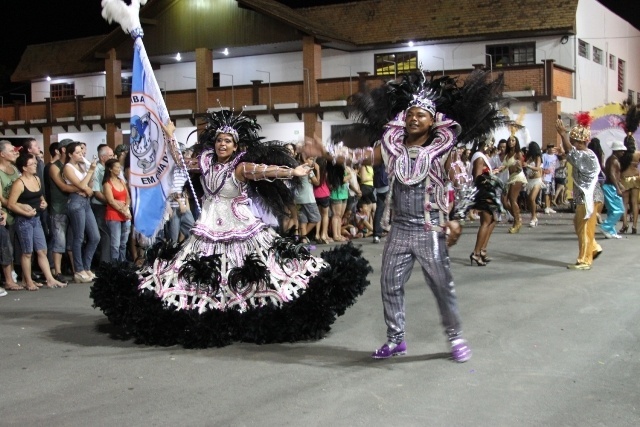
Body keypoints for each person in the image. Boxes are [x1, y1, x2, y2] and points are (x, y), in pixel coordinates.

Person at [91, 112, 371, 348]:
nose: (222, 144)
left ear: (236, 146)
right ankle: (208, 311)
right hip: (208, 223)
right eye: (219, 140)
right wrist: (168, 133)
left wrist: (293, 172)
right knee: (201, 269)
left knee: (251, 268)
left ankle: (252, 310)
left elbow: (265, 171)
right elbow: (178, 160)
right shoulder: (204, 162)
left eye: (228, 140)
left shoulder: (241, 167)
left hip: (240, 223)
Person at [7, 154, 66, 289]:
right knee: (27, 252)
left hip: (37, 219)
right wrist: (25, 212)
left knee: (42, 251)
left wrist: (43, 202)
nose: (35, 165)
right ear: (24, 168)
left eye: (35, 163)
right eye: (32, 164)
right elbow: (11, 204)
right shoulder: (19, 183)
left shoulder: (36, 179)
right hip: (23, 221)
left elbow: (40, 195)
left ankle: (50, 279)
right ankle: (27, 281)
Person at [555, 115, 602, 270]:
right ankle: (593, 247)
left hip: (588, 197)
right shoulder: (585, 155)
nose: (572, 145)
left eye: (574, 142)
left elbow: (572, 153)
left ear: (580, 142)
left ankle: (585, 260)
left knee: (584, 229)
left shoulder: (585, 155)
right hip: (587, 197)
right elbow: (571, 154)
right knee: (579, 224)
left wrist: (563, 134)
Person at [63, 142, 100, 283]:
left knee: (95, 237)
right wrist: (90, 172)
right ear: (70, 154)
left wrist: (90, 176)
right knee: (78, 237)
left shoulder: (81, 166)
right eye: (78, 152)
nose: (81, 154)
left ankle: (86, 266)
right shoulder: (68, 167)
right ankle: (78, 270)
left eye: (82, 151)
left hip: (86, 202)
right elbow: (80, 185)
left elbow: (89, 186)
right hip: (76, 202)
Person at [469, 138, 503, 265]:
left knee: (493, 220)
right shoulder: (479, 157)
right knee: (486, 221)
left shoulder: (482, 157)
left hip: (486, 191)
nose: (492, 147)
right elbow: (478, 176)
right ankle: (476, 253)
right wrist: (490, 177)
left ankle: (482, 250)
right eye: (490, 144)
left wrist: (492, 173)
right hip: (484, 192)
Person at [47, 139, 76, 280]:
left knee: (72, 241)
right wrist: (82, 187)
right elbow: (63, 186)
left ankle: (76, 269)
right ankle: (57, 271)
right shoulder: (54, 166)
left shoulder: (71, 166)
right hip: (58, 208)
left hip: (72, 206)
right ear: (64, 150)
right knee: (59, 241)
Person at [103, 159, 132, 261]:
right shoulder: (107, 184)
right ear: (110, 169)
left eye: (120, 167)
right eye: (117, 167)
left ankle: (122, 263)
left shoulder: (122, 181)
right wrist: (123, 211)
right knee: (115, 244)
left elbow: (128, 197)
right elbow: (111, 201)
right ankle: (114, 266)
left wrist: (126, 208)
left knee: (123, 243)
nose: (119, 169)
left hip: (125, 214)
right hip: (114, 215)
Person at [91, 145, 115, 264]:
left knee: (111, 234)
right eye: (110, 156)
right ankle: (104, 263)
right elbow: (96, 192)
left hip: (109, 205)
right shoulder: (97, 170)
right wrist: (111, 201)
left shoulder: (108, 169)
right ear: (102, 157)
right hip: (99, 206)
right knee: (105, 235)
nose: (113, 157)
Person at [599, 141, 626, 239]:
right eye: (621, 151)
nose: (623, 152)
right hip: (610, 187)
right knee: (619, 210)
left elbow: (614, 175)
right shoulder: (613, 160)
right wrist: (618, 187)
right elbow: (611, 175)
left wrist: (619, 184)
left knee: (612, 211)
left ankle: (611, 231)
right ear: (616, 150)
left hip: (611, 186)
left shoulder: (612, 159)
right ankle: (605, 226)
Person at [500, 135, 526, 233]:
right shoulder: (507, 155)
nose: (511, 142)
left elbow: (521, 165)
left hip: (518, 177)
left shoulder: (518, 153)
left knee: (512, 199)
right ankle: (517, 218)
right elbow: (503, 167)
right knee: (504, 201)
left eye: (513, 140)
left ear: (516, 142)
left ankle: (516, 222)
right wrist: (494, 171)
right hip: (510, 178)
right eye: (509, 140)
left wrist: (518, 165)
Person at [523, 141, 542, 227]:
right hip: (529, 180)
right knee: (530, 200)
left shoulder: (538, 157)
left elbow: (537, 168)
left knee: (531, 198)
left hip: (537, 180)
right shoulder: (529, 157)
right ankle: (533, 216)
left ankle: (534, 217)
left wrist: (528, 166)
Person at [541, 144, 558, 214]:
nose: (551, 149)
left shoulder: (555, 157)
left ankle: (549, 206)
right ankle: (546, 207)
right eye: (550, 148)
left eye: (553, 148)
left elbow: (557, 166)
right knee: (546, 192)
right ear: (547, 149)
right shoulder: (544, 156)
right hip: (546, 176)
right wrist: (544, 171)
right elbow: (541, 165)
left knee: (552, 192)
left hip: (552, 176)